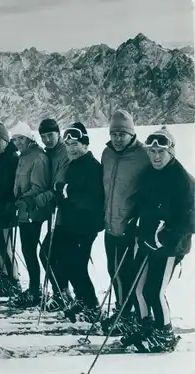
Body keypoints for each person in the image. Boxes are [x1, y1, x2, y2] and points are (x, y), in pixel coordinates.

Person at [120, 126, 195, 353]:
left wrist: (164, 236)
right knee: (138, 288)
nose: (156, 156)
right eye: (152, 151)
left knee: (154, 291)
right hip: (145, 240)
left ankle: (164, 335)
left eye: (161, 151)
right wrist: (134, 223)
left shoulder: (182, 179)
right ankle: (146, 328)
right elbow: (144, 205)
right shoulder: (149, 174)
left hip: (169, 246)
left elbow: (190, 219)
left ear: (171, 151)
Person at [100, 110, 150, 334]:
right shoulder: (106, 154)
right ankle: (123, 312)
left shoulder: (145, 155)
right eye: (114, 134)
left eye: (123, 134)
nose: (118, 138)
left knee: (126, 274)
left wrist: (140, 216)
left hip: (131, 227)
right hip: (110, 225)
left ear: (132, 134)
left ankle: (126, 315)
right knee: (113, 271)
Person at [53, 122, 104, 323]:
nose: (71, 149)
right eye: (68, 145)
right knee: (68, 262)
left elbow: (93, 199)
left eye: (75, 144)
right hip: (72, 223)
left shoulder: (92, 166)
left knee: (77, 265)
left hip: (86, 226)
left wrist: (67, 191)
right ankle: (83, 300)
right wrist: (61, 195)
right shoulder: (75, 164)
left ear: (85, 144)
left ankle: (92, 305)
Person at [10, 123, 51, 308]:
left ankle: (35, 291)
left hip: (33, 211)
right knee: (27, 250)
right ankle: (34, 289)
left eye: (21, 139)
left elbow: (39, 186)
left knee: (30, 250)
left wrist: (23, 199)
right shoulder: (24, 157)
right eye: (15, 139)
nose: (18, 142)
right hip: (24, 211)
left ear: (29, 139)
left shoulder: (38, 157)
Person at [36, 119, 72, 312]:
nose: (47, 139)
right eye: (43, 136)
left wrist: (44, 197)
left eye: (50, 135)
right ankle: (63, 293)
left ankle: (62, 293)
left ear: (58, 134)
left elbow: (59, 184)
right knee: (53, 254)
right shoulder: (47, 154)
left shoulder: (64, 153)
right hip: (53, 212)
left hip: (64, 212)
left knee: (48, 253)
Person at [0, 123, 22, 297]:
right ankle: (6, 277)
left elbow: (15, 185)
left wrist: (11, 203)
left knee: (5, 247)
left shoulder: (13, 158)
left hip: (7, 210)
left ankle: (13, 281)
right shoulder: (1, 158)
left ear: (6, 140)